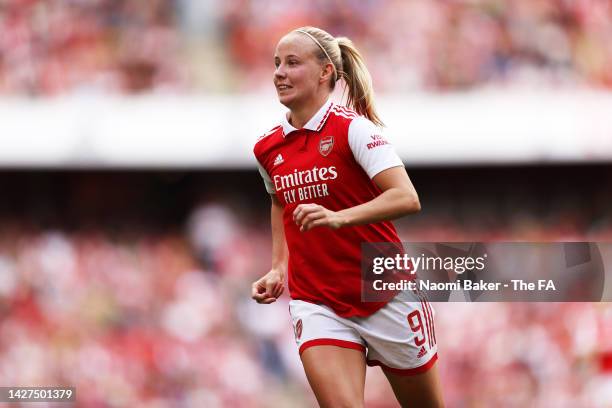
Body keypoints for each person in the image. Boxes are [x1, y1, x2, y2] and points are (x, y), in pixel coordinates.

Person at [251, 26, 444, 407]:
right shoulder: (267, 147)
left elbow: (406, 197)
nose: (279, 73)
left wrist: (339, 217)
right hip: (316, 300)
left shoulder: (353, 129)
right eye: (276, 64)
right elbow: (279, 201)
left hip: (384, 291)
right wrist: (278, 267)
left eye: (292, 63)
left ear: (325, 72)